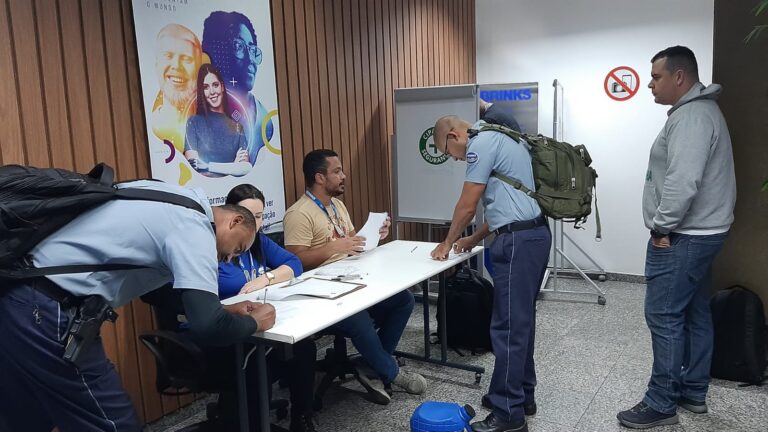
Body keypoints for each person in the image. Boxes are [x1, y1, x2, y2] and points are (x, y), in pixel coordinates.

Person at [0, 180, 275, 431]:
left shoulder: (171, 196)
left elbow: (157, 295)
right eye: (237, 248)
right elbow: (208, 327)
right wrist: (256, 321)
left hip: (18, 296)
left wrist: (223, 309)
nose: (227, 258)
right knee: (115, 424)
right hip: (49, 312)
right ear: (235, 220)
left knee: (27, 415)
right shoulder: (195, 228)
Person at [616, 46, 736, 429]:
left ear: (679, 77)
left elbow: (683, 182)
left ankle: (661, 402)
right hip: (703, 232)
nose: (650, 84)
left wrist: (662, 228)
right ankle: (693, 391)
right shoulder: (697, 113)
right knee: (694, 311)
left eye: (656, 77)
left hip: (684, 235)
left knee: (663, 314)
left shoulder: (692, 118)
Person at [430, 116, 551, 432]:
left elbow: (468, 204)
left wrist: (447, 242)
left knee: (507, 326)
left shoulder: (480, 143)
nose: (455, 159)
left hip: (519, 243)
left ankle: (508, 412)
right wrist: (471, 239)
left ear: (455, 135)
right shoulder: (504, 137)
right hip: (531, 236)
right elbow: (509, 205)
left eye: (449, 151)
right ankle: (522, 395)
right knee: (520, 321)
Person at [283, 149, 427, 405]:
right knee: (359, 321)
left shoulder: (337, 205)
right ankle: (391, 372)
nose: (344, 176)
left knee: (403, 300)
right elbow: (295, 262)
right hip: (320, 294)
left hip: (352, 280)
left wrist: (375, 235)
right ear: (319, 177)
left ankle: (370, 365)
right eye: (337, 171)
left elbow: (353, 244)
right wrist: (332, 248)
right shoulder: (299, 214)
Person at [209, 184, 318, 432]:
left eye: (259, 217)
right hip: (229, 333)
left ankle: (302, 418)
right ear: (232, 218)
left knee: (303, 347)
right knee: (262, 363)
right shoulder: (216, 251)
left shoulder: (259, 243)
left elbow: (294, 263)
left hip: (257, 324)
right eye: (249, 217)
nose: (255, 224)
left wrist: (265, 279)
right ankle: (252, 422)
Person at [202, 11, 274, 164]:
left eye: (252, 49)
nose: (250, 60)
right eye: (238, 46)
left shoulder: (264, 118)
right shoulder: (202, 118)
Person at [184, 63, 250, 178]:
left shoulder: (238, 126)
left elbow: (244, 168)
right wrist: (232, 167)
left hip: (232, 191)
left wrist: (208, 167)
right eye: (206, 87)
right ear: (202, 92)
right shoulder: (193, 122)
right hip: (205, 191)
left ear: (222, 87)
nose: (212, 92)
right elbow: (194, 167)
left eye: (215, 85)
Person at [151, 24, 202, 153]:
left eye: (186, 59)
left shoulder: (212, 127)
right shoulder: (150, 126)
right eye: (168, 56)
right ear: (156, 64)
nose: (176, 66)